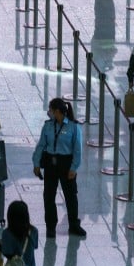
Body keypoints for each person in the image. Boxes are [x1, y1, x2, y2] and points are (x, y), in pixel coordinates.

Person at [32, 98, 85, 239]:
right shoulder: (48, 126)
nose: (49, 113)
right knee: (49, 195)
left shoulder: (74, 127)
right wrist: (36, 163)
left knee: (70, 196)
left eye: (50, 110)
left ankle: (74, 224)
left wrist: (74, 168)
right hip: (50, 163)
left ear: (57, 111)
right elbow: (41, 145)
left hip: (66, 163)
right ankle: (50, 226)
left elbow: (77, 149)